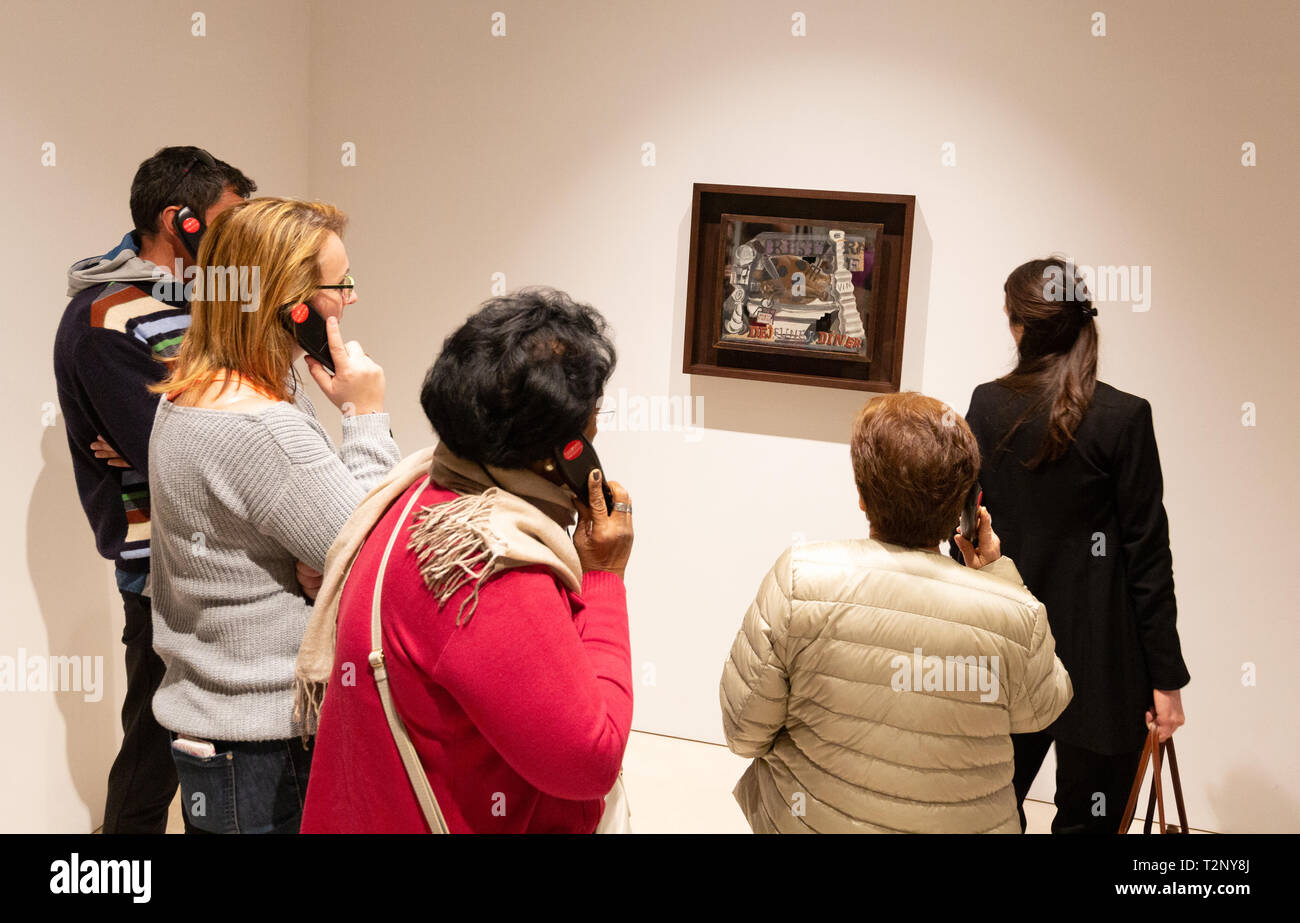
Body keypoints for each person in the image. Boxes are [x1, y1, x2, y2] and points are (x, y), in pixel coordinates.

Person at [297, 288, 634, 834]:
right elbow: (589, 761)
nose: (596, 429)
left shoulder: (415, 492)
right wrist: (604, 577)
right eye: (592, 417)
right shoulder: (489, 564)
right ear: (566, 450)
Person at [147, 197, 400, 833]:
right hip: (268, 743)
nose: (351, 297)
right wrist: (365, 415)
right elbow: (372, 555)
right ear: (292, 303)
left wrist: (322, 562)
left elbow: (327, 544)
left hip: (217, 732)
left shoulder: (185, 396)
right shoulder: (266, 427)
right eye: (338, 283)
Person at [720, 391, 1073, 833]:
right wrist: (999, 577)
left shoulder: (800, 579)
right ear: (962, 508)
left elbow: (743, 731)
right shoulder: (1015, 611)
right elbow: (1042, 708)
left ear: (863, 495)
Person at [52, 146, 255, 833]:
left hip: (240, 565)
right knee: (152, 762)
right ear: (182, 222)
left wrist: (190, 416)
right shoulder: (104, 320)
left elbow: (264, 415)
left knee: (225, 758)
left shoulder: (217, 305)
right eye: (229, 224)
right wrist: (190, 428)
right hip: (162, 573)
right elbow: (171, 458)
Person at [951, 257, 1189, 833]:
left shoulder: (987, 405)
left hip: (1005, 651)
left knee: (986, 816)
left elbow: (964, 527)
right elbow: (1147, 559)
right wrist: (1167, 680)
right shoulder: (1123, 418)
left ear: (1019, 328)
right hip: (1103, 661)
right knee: (1090, 824)